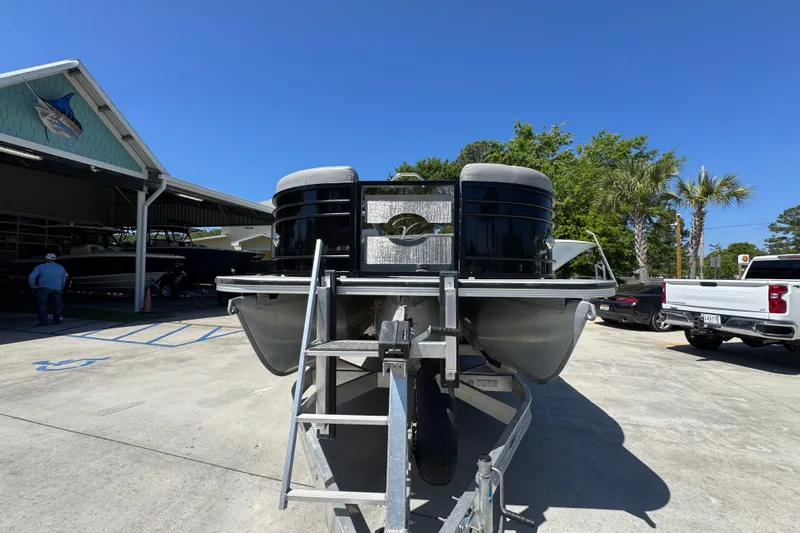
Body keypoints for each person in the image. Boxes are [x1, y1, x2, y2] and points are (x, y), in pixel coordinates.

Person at [28, 253, 68, 326]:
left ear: (46, 259)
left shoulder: (40, 267)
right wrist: (61, 287)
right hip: (57, 288)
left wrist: (33, 286)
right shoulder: (61, 267)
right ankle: (56, 320)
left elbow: (31, 277)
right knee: (57, 305)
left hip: (43, 288)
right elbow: (64, 278)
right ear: (55, 259)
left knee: (42, 305)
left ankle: (43, 322)